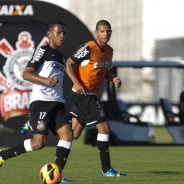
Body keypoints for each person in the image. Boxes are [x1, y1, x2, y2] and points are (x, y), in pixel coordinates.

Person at [0, 20, 73, 182]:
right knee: (38, 143)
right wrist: (45, 80)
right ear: (49, 35)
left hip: (58, 103)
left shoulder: (62, 57)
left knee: (67, 135)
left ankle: (58, 174)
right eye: (58, 33)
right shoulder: (43, 50)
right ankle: (1, 156)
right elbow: (26, 74)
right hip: (42, 102)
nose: (62, 36)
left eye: (63, 33)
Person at [65, 19, 126, 177]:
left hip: (89, 93)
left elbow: (102, 71)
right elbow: (69, 63)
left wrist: (112, 78)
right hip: (84, 93)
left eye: (108, 31)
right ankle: (106, 170)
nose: (105, 34)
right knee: (104, 128)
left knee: (73, 134)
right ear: (96, 32)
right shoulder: (88, 47)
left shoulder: (110, 51)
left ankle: (46, 125)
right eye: (102, 31)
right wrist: (77, 83)